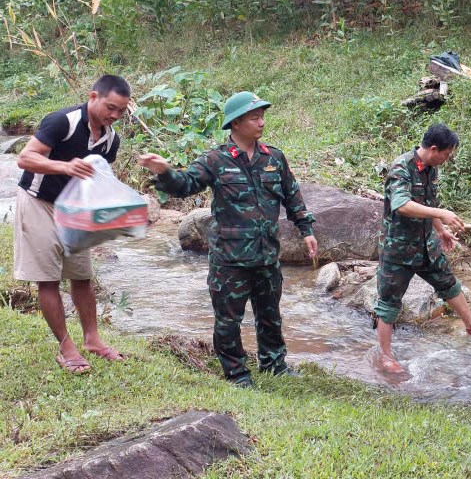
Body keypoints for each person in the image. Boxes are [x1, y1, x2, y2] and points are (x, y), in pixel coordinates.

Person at [138, 91, 317, 388]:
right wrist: (165, 171)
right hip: (229, 259)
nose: (261, 122)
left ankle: (274, 364)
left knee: (270, 315)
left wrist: (306, 230)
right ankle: (236, 373)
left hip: (266, 255)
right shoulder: (215, 160)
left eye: (262, 116)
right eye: (254, 117)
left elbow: (292, 196)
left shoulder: (273, 158)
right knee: (228, 320)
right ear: (235, 123)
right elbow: (185, 185)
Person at [15, 74, 132, 374]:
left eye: (121, 111)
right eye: (110, 107)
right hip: (38, 201)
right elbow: (25, 158)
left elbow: (99, 178)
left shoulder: (110, 139)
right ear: (93, 96)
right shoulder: (62, 122)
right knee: (48, 278)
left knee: (82, 276)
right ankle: (67, 347)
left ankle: (92, 340)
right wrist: (63, 166)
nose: (115, 116)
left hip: (74, 209)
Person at [375, 123, 471, 374]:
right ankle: (385, 356)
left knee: (448, 283)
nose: (448, 158)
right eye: (447, 153)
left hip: (426, 244)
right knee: (389, 303)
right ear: (434, 149)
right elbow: (402, 205)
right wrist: (442, 214)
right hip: (398, 249)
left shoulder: (431, 169)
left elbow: (427, 202)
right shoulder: (401, 168)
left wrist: (440, 229)